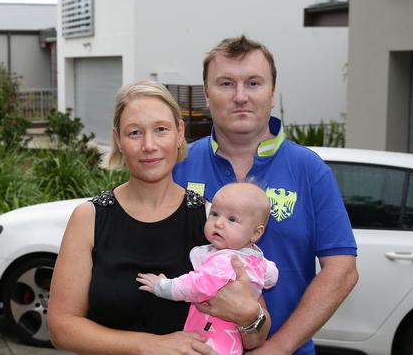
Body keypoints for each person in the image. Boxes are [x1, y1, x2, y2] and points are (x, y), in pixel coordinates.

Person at [48, 80, 270, 354]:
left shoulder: (211, 219)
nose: (149, 145)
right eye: (134, 133)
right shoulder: (90, 218)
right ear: (118, 140)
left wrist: (249, 317)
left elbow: (256, 336)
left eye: (161, 130)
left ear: (179, 133)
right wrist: (150, 345)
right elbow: (61, 327)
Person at [173, 35, 359, 354]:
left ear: (272, 93)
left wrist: (279, 348)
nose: (240, 96)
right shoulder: (178, 166)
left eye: (254, 83)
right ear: (206, 94)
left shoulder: (309, 170)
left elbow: (342, 271)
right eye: (226, 83)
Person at [137, 182, 279, 355]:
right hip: (230, 343)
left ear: (256, 233)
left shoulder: (226, 260)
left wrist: (161, 286)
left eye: (232, 219)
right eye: (214, 214)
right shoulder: (258, 260)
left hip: (210, 341)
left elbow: (195, 285)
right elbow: (271, 277)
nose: (218, 223)